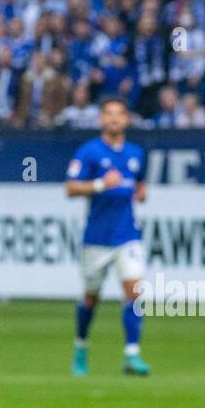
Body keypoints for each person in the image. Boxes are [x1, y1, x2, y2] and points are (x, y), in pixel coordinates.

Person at [63, 96, 150, 377]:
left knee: (135, 293)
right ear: (101, 119)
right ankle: (81, 346)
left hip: (127, 236)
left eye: (119, 114)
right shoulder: (89, 152)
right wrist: (101, 183)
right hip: (97, 239)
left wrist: (142, 192)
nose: (114, 119)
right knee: (90, 298)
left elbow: (140, 183)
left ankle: (132, 354)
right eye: (108, 114)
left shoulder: (136, 153)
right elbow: (70, 188)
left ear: (126, 119)